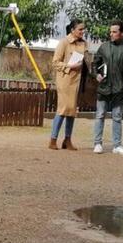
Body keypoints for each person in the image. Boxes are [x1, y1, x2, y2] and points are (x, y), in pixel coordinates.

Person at [91, 21, 123, 155]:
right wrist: (97, 74)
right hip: (104, 87)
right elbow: (95, 63)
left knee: (117, 117)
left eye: (114, 32)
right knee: (100, 115)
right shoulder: (104, 47)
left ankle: (117, 145)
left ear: (122, 33)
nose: (111, 34)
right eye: (110, 31)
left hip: (120, 88)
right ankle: (97, 144)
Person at [49, 19, 89, 150]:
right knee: (62, 109)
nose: (83, 32)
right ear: (72, 30)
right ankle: (53, 140)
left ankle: (67, 140)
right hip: (65, 81)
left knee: (72, 110)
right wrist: (69, 66)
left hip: (77, 82)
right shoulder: (64, 42)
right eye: (80, 29)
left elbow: (85, 61)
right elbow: (55, 62)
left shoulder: (84, 44)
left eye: (83, 29)